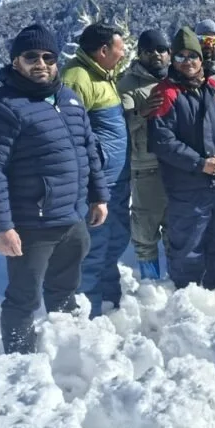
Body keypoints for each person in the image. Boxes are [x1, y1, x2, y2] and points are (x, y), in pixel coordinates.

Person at [0, 24, 109, 353]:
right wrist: (1, 227)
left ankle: (67, 348)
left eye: (48, 57)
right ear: (16, 61)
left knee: (65, 289)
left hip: (73, 218)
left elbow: (88, 150)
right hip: (32, 225)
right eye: (31, 56)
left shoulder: (69, 98)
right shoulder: (2, 108)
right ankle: (19, 362)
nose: (41, 63)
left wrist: (98, 196)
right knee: (24, 298)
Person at [147, 28, 215, 289]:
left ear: (201, 59)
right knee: (188, 242)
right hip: (187, 183)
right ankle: (187, 293)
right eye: (180, 56)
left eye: (192, 56)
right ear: (173, 60)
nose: (187, 61)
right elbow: (162, 140)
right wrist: (200, 164)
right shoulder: (166, 93)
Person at [61, 23, 129, 317]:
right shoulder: (78, 78)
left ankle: (110, 301)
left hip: (116, 182)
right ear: (103, 50)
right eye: (120, 49)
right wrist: (92, 185)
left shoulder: (103, 75)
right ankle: (90, 311)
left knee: (114, 243)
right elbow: (71, 137)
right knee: (93, 250)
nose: (123, 54)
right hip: (98, 185)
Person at [116, 29, 170, 279]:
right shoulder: (127, 84)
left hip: (176, 164)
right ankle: (151, 283)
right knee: (145, 229)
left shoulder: (177, 79)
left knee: (176, 227)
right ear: (140, 54)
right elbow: (119, 126)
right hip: (146, 165)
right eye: (149, 51)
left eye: (161, 49)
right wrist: (141, 113)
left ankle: (177, 280)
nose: (156, 55)